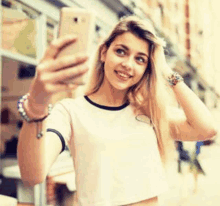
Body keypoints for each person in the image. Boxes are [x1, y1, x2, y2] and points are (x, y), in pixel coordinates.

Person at [17, 15, 217, 206]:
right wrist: (36, 104)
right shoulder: (71, 111)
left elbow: (206, 129)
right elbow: (33, 175)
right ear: (104, 52)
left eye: (140, 59)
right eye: (121, 51)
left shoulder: (149, 111)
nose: (128, 64)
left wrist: (167, 72)